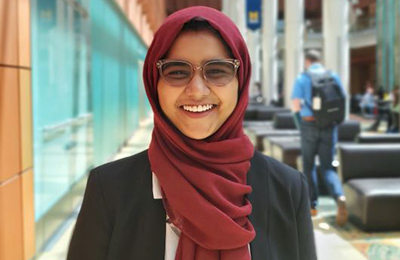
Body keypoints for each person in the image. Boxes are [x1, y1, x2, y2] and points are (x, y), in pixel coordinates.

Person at [67, 7, 316, 260]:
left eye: (217, 70)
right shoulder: (109, 191)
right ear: (154, 83)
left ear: (240, 82)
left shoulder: (288, 189)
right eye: (176, 71)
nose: (197, 91)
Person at [291, 50, 348, 226]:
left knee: (308, 165)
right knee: (327, 167)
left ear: (307, 61)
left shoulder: (303, 78)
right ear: (320, 61)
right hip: (329, 126)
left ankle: (312, 206)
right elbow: (343, 99)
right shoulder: (333, 76)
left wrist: (300, 124)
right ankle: (340, 196)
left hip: (309, 124)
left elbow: (295, 104)